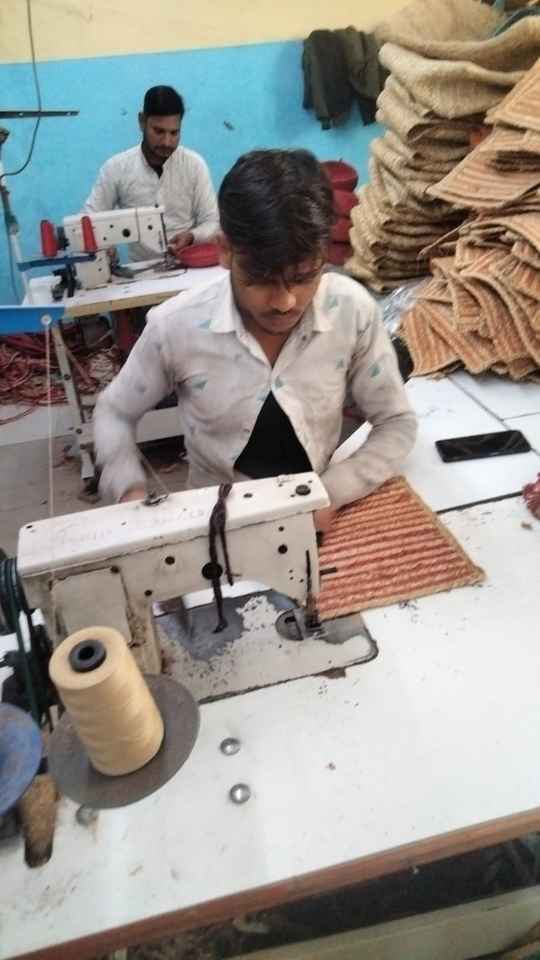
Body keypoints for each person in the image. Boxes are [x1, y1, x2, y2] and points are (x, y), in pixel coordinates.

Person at [94, 149, 417, 533]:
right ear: (225, 250)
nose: (285, 302)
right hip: (216, 525)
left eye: (304, 278)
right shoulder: (176, 327)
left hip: (316, 516)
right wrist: (129, 492)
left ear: (323, 254)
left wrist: (332, 491)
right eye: (262, 280)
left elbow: (396, 422)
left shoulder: (351, 312)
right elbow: (114, 411)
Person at [84, 86, 218, 261]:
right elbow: (87, 222)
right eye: (159, 131)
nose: (167, 142)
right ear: (142, 121)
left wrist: (192, 236)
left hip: (191, 267)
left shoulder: (194, 165)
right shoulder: (116, 168)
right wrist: (103, 248)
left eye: (174, 133)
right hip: (142, 271)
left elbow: (212, 222)